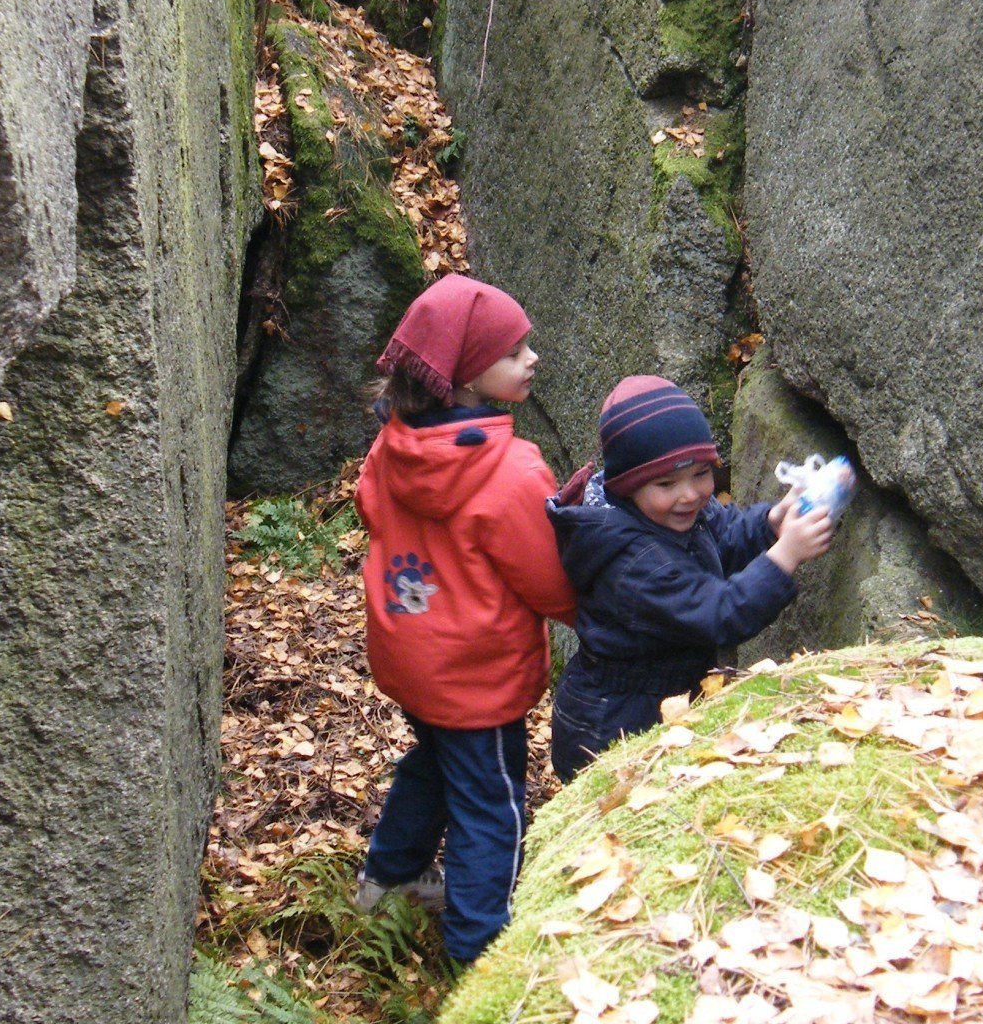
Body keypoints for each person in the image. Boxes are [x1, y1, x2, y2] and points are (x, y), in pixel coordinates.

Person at [352, 273, 576, 964]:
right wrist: (585, 604)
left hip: (409, 654)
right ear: (467, 379)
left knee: (434, 763)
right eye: (513, 353)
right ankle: (479, 950)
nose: (530, 359)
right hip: (477, 678)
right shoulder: (512, 471)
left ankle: (387, 881)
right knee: (491, 805)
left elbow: (370, 506)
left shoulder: (393, 446)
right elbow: (546, 580)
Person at [546, 376, 834, 780]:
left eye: (701, 474)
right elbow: (719, 614)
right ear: (628, 487)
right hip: (610, 723)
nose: (690, 494)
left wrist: (771, 523)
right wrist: (784, 556)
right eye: (666, 483)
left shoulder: (678, 513)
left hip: (663, 699)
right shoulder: (634, 562)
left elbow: (726, 536)